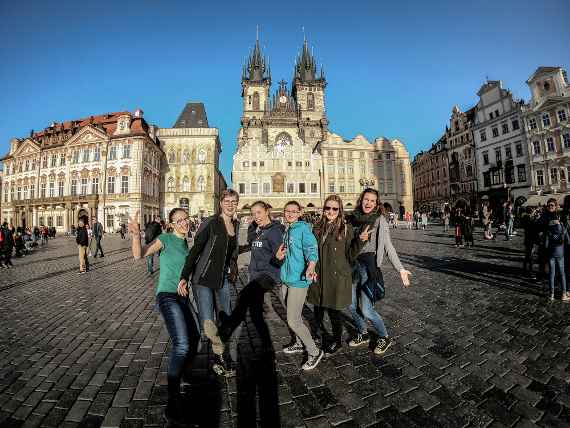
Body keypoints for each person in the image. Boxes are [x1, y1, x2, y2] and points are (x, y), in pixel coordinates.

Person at [129, 208, 200, 426]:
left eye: (185, 219)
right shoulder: (165, 238)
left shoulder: (187, 243)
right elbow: (139, 254)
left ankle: (185, 376)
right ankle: (172, 402)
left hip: (183, 298)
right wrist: (135, 234)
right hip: (167, 296)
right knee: (182, 344)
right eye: (178, 221)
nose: (183, 223)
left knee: (196, 337)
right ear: (170, 224)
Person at [178, 189, 240, 372]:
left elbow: (230, 251)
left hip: (222, 279)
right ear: (220, 203)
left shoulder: (235, 224)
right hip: (203, 279)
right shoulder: (211, 222)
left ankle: (218, 353)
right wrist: (184, 276)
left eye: (234, 201)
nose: (230, 204)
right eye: (227, 201)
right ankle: (219, 356)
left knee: (226, 319)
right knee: (208, 322)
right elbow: (195, 251)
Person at [347, 188, 412, 355]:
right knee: (352, 305)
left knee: (367, 309)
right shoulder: (353, 219)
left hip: (369, 268)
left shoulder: (379, 220)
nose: (368, 203)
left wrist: (400, 269)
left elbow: (388, 246)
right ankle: (363, 333)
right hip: (352, 266)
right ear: (361, 199)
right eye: (366, 199)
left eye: (372, 201)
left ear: (376, 204)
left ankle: (384, 336)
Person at [307, 195, 369, 354]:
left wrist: (361, 241)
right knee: (318, 308)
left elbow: (351, 254)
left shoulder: (345, 228)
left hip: (337, 276)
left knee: (334, 311)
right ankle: (318, 333)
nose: (330, 211)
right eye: (327, 208)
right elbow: (311, 249)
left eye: (334, 208)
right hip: (319, 274)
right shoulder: (317, 226)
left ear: (339, 210)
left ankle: (337, 341)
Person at [219, 201, 284, 349]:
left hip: (268, 274)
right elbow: (251, 245)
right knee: (255, 314)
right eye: (253, 214)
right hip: (255, 275)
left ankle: (225, 331)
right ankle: (267, 347)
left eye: (259, 212)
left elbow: (281, 255)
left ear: (267, 211)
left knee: (244, 295)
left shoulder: (274, 231)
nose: (256, 216)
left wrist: (276, 260)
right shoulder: (258, 230)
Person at [275, 200, 323, 371]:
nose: (290, 214)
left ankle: (314, 351)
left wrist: (311, 266)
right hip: (287, 279)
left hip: (299, 280)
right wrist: (279, 257)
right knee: (292, 314)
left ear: (300, 212)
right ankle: (298, 342)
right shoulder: (288, 230)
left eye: (294, 211)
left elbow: (312, 249)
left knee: (293, 320)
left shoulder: (303, 229)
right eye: (287, 211)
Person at [543, 201, 570, 302]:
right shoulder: (563, 227)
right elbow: (568, 241)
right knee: (562, 274)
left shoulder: (549, 227)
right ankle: (564, 294)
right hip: (561, 252)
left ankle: (551, 294)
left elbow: (545, 243)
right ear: (559, 217)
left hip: (551, 252)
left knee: (552, 274)